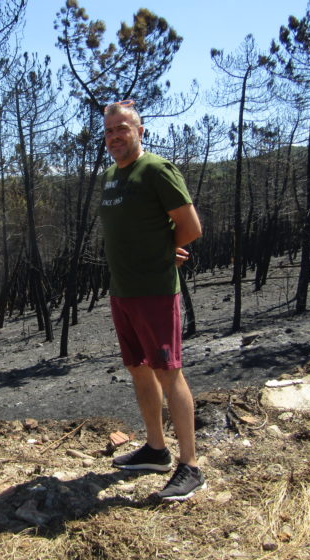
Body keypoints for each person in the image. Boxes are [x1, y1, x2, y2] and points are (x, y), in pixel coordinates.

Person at [99, 100, 206, 501]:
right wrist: (162, 245)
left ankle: (190, 466)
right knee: (139, 369)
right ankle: (156, 450)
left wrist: (164, 252)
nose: (114, 137)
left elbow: (191, 227)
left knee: (168, 372)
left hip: (156, 292)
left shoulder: (157, 170)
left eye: (122, 129)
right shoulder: (111, 175)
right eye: (109, 131)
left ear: (140, 131)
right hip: (122, 292)